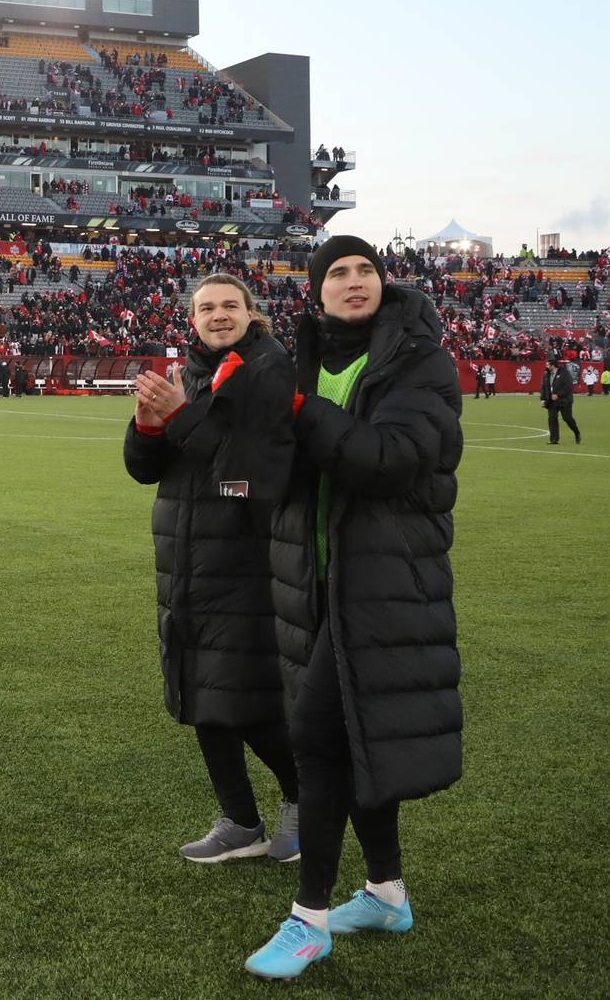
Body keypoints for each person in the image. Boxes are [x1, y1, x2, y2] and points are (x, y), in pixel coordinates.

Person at [244, 236, 464, 981]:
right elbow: (269, 465)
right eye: (336, 271)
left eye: (365, 267)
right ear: (316, 291)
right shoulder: (298, 361)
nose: (353, 280)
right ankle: (386, 892)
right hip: (317, 580)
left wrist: (298, 410)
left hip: (388, 582)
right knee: (353, 735)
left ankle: (308, 920)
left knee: (314, 731)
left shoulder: (420, 359)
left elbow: (386, 459)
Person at [126, 274, 300, 866]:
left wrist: (178, 416)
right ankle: (240, 820)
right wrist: (149, 426)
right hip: (186, 557)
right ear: (193, 319)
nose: (219, 315)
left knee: (244, 699)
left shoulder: (270, 370)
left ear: (253, 314)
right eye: (207, 308)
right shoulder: (193, 373)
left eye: (231, 305)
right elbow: (146, 470)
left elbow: (248, 471)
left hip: (246, 558)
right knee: (201, 692)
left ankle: (305, 801)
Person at [541, 358, 581, 445]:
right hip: (551, 401)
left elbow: (568, 387)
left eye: (548, 365)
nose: (546, 367)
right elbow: (544, 387)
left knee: (567, 418)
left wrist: (558, 395)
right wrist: (543, 399)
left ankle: (576, 432)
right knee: (552, 418)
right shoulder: (546, 375)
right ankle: (554, 440)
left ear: (553, 365)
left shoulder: (564, 373)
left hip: (564, 400)